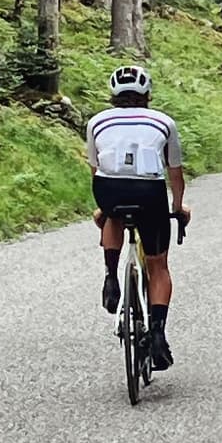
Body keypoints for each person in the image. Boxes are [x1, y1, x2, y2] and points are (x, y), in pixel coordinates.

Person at [86, 64, 187, 369]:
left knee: (112, 216)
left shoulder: (96, 122)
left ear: (112, 94)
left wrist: (103, 206)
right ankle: (157, 333)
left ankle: (110, 277)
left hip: (108, 189)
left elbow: (96, 169)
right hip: (149, 193)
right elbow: (175, 174)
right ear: (147, 94)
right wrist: (178, 207)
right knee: (158, 265)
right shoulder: (164, 122)